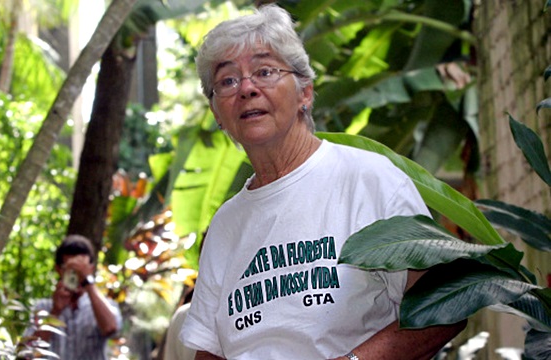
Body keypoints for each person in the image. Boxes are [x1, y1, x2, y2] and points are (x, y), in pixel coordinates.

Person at [178, 4, 466, 360]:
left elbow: (446, 304)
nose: (247, 88)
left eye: (265, 71)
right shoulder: (225, 225)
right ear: (217, 114)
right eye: (228, 81)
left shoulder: (371, 180)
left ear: (305, 93)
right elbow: (210, 351)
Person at [23, 234, 122, 360]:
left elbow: (111, 328)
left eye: (81, 270)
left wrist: (88, 283)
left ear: (90, 269)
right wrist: (55, 312)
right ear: (59, 269)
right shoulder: (43, 308)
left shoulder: (104, 305)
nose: (77, 276)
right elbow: (27, 354)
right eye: (71, 270)